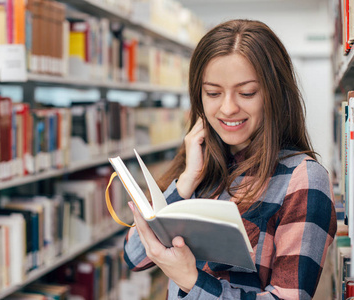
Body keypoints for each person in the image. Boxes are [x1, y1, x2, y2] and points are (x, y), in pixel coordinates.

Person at [123, 19, 337, 299]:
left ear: (276, 94)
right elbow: (134, 257)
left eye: (247, 93)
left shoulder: (303, 179)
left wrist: (191, 279)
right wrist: (186, 181)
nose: (227, 108)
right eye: (213, 93)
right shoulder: (200, 163)